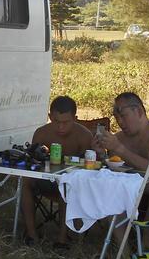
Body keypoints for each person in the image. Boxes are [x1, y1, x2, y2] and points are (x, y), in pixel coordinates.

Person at [94, 92, 149, 249]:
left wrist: (119, 148)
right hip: (134, 193)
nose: (120, 122)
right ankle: (123, 254)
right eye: (117, 118)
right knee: (112, 192)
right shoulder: (120, 138)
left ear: (139, 112)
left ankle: (146, 251)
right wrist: (101, 154)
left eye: (123, 116)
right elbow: (115, 170)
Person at [20, 95, 94, 250]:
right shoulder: (41, 133)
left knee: (66, 184)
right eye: (56, 122)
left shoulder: (84, 136)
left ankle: (62, 238)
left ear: (75, 118)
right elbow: (33, 160)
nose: (60, 127)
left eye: (66, 122)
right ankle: (32, 235)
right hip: (46, 179)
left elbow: (92, 167)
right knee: (26, 180)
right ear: (49, 117)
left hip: (73, 186)